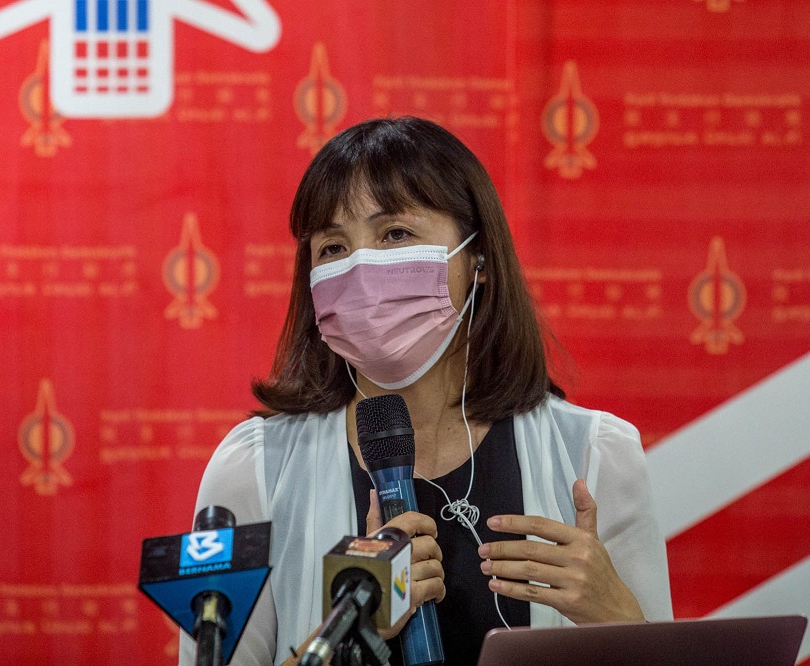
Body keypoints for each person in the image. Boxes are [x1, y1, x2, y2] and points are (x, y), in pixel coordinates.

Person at [179, 116, 673, 665]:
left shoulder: (595, 453)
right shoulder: (249, 470)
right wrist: (346, 629)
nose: (360, 267)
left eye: (395, 234)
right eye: (333, 247)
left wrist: (616, 616)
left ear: (477, 257)